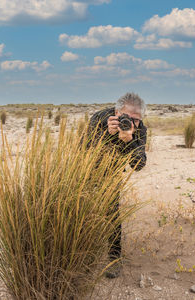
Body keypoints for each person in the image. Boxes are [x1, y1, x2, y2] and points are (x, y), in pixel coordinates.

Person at [85, 92, 147, 278]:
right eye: (127, 118)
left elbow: (139, 165)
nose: (132, 124)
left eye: (137, 120)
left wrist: (128, 140)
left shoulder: (139, 129)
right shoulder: (101, 119)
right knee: (82, 209)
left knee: (111, 213)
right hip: (86, 169)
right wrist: (107, 134)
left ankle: (114, 258)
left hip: (112, 172)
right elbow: (87, 151)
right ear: (117, 112)